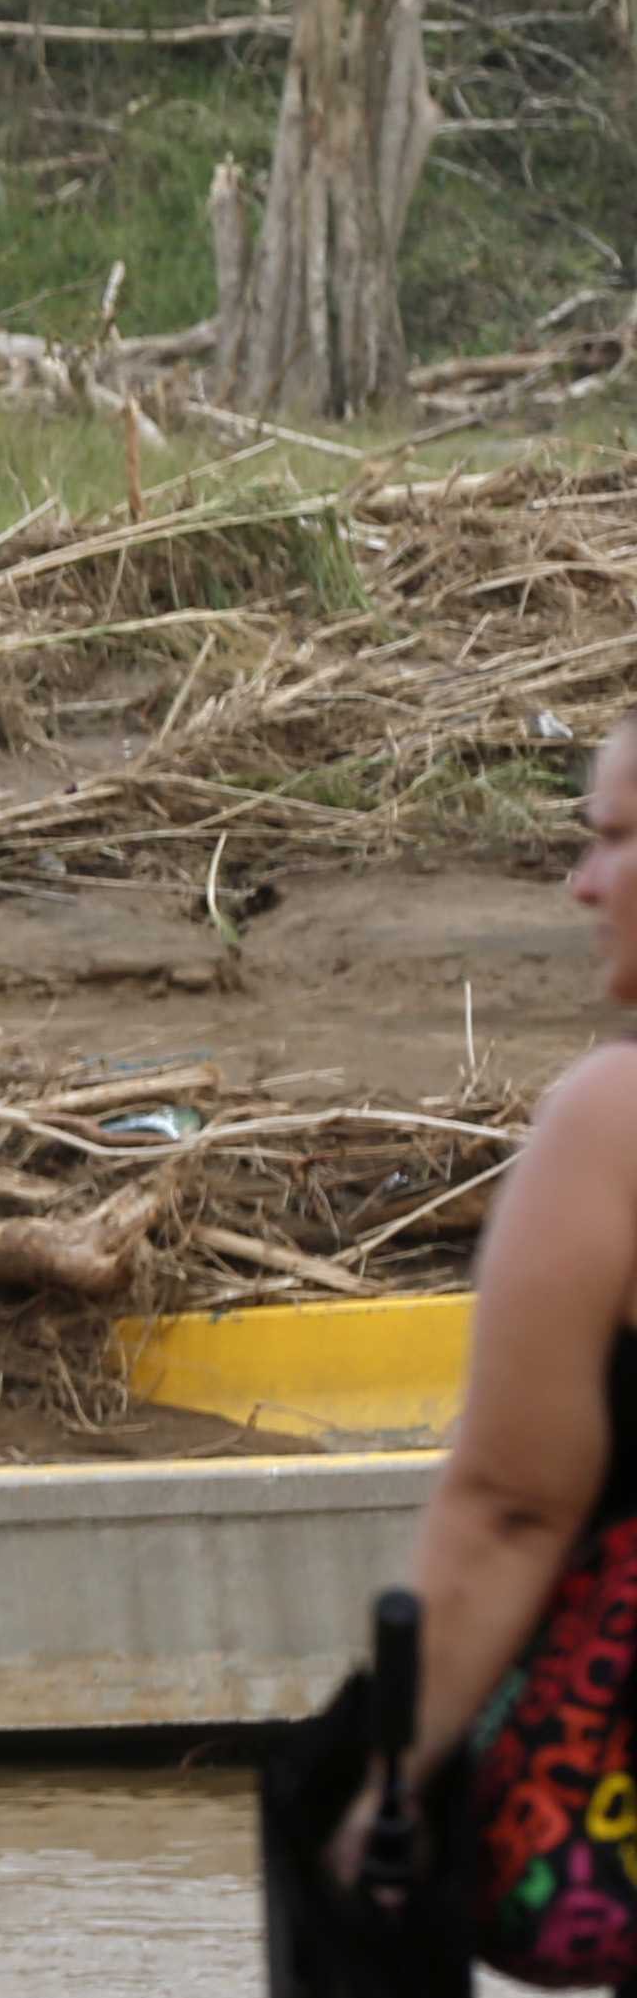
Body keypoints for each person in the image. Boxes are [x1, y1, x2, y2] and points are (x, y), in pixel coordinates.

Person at [397, 721, 637, 1824]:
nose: (583, 887)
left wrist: (375, 1799)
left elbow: (506, 1514)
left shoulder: (614, 1128)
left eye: (617, 839)